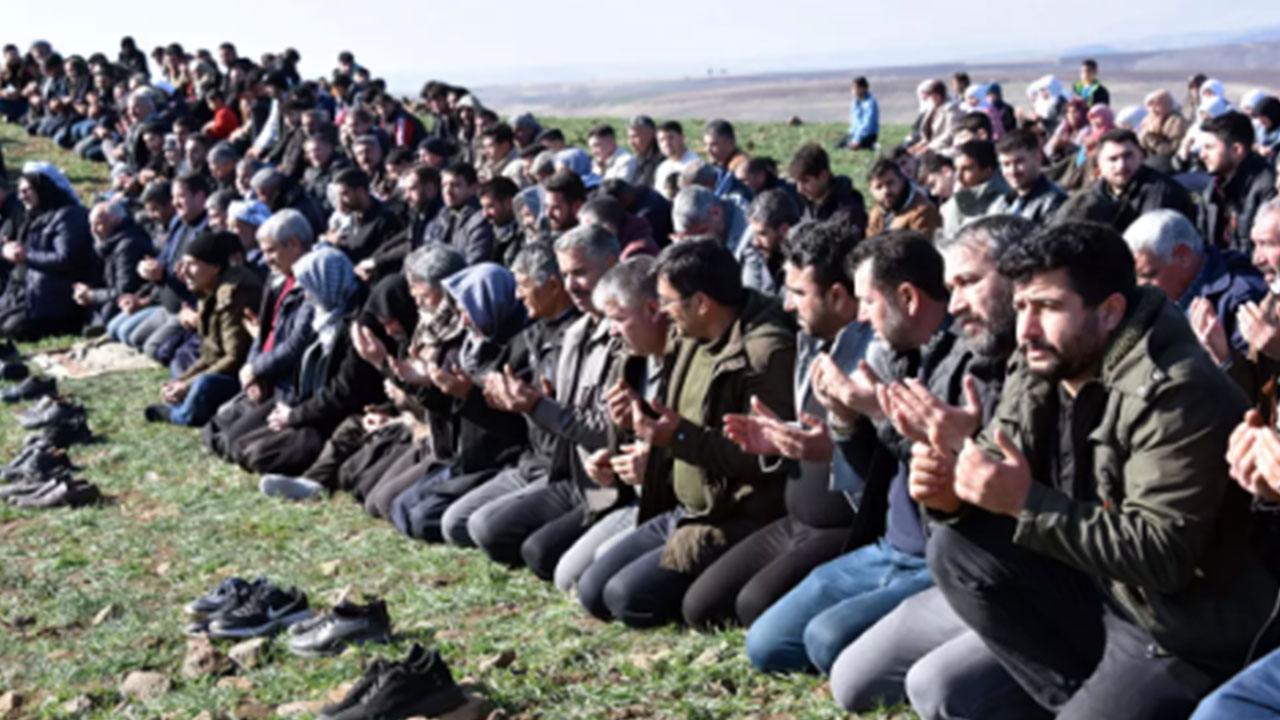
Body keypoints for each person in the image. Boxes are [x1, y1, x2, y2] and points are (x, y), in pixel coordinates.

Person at [923, 222, 1276, 718]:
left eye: (1047, 307)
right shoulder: (1044, 359)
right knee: (951, 582)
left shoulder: (1176, 392)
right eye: (1021, 306)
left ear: (1110, 311)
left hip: (1180, 627)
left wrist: (1026, 502)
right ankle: (1078, 699)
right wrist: (949, 489)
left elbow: (1163, 556)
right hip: (1098, 589)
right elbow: (999, 456)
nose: (1025, 329)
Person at [827, 216, 1031, 718]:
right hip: (958, 570)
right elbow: (926, 484)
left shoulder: (1043, 367)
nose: (955, 303)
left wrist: (954, 455)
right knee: (849, 680)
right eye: (951, 285)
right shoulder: (971, 359)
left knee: (936, 690)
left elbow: (1027, 498)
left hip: (1027, 586)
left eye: (967, 283)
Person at [576, 238, 795, 628]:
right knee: (592, 590)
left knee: (628, 600)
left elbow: (764, 459)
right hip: (681, 509)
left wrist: (678, 439)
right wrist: (637, 418)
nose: (662, 312)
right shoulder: (688, 335)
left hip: (730, 517)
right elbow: (676, 413)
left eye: (667, 301)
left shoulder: (763, 355)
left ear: (702, 303)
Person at [693, 224, 870, 630]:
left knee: (754, 606)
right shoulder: (812, 341)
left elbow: (879, 462)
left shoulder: (871, 359)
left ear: (839, 296)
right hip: (795, 519)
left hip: (844, 526)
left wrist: (834, 451)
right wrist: (778, 440)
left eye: (798, 293)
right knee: (701, 607)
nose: (788, 306)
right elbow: (811, 430)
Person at [466, 225, 621, 574]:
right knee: (481, 528)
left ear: (611, 265)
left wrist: (536, 405)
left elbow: (606, 427)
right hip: (567, 471)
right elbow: (560, 413)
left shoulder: (625, 336)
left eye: (580, 273)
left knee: (545, 558)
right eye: (566, 275)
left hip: (608, 482)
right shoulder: (579, 332)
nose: (571, 286)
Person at [235, 245, 382, 481]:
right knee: (241, 447)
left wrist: (294, 417)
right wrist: (290, 409)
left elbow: (342, 393)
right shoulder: (324, 316)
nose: (306, 296)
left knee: (258, 456)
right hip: (309, 408)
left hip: (333, 417)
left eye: (310, 287)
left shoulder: (356, 326)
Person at [202, 209, 317, 460]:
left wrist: (258, 369)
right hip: (265, 374)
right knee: (213, 429)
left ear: (294, 244)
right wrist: (252, 369)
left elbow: (297, 344)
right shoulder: (277, 280)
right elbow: (264, 332)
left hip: (286, 383)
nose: (266, 260)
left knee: (234, 444)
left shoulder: (312, 283)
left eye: (271, 251)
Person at [1124, 209, 1269, 399]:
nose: (1140, 286)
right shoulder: (1166, 296)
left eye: (1149, 275)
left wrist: (1224, 358)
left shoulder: (1240, 297)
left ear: (1183, 255)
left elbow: (1260, 390)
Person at [145, 231, 263, 426]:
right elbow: (210, 353)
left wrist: (188, 384)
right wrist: (182, 381)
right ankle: (187, 400)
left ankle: (178, 415)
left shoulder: (235, 294)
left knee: (204, 384)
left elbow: (234, 358)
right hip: (221, 368)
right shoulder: (207, 292)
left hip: (241, 378)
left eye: (191, 264)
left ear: (215, 267)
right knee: (180, 364)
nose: (184, 271)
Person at [0, 164, 93, 340]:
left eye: (27, 191)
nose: (22, 197)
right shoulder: (32, 217)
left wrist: (26, 255)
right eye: (20, 191)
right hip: (24, 291)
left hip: (51, 298)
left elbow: (65, 258)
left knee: (14, 329)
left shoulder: (67, 216)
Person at [1199, 111, 1278, 253]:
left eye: (1209, 147)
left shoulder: (1267, 188)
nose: (1202, 155)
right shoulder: (1213, 189)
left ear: (1236, 149)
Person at [1087, 129, 1196, 231]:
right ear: (1100, 165)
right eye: (1113, 159)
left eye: (1128, 156)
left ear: (1141, 156)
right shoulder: (1093, 196)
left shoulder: (1163, 192)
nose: (1121, 165)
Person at [78, 201, 152, 335]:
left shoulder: (129, 245)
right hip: (112, 293)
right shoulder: (105, 244)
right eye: (91, 225)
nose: (93, 230)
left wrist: (92, 295)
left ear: (117, 221)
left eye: (99, 224)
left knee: (109, 308)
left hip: (133, 299)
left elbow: (124, 289)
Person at [329, 167, 405, 271]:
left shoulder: (386, 220)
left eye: (344, 194)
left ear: (361, 191)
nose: (339, 202)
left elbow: (388, 259)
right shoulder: (352, 218)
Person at [989, 129, 1068, 225]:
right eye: (1006, 164)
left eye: (1019, 162)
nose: (1013, 171)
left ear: (1038, 158)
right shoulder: (1002, 203)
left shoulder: (1055, 203)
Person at [422, 161, 495, 264]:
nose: (448, 191)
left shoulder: (481, 220)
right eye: (444, 185)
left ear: (474, 188)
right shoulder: (441, 216)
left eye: (455, 185)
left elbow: (474, 261)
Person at [788, 143, 867, 236]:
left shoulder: (849, 212)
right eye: (797, 182)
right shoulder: (809, 205)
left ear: (824, 175)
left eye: (805, 181)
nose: (799, 189)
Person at [940, 140, 1010, 235]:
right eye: (957, 169)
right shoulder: (956, 202)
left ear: (987, 171)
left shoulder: (1007, 200)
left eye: (967, 169)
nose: (958, 176)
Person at [741, 190, 800, 295]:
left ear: (785, 229)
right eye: (753, 234)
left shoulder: (803, 265)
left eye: (762, 234)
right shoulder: (758, 253)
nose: (755, 242)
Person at [865, 159, 942, 237]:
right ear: (871, 190)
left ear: (902, 180)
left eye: (890, 183)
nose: (886, 191)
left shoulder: (923, 212)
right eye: (879, 187)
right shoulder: (877, 212)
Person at [655, 121, 700, 198]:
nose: (666, 143)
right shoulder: (662, 168)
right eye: (662, 140)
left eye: (671, 138)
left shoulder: (695, 165)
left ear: (682, 138)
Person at [626, 115, 662, 189]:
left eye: (635, 136)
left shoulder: (662, 160)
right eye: (629, 138)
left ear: (653, 134)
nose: (631, 142)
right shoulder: (637, 159)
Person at [844, 76, 880, 151]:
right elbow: (855, 122)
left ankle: (872, 145)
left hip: (867, 135)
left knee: (850, 148)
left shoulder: (870, 103)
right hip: (855, 134)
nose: (854, 91)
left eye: (856, 88)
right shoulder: (855, 101)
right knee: (838, 147)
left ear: (863, 88)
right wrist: (850, 136)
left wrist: (857, 140)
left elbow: (867, 125)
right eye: (853, 88)